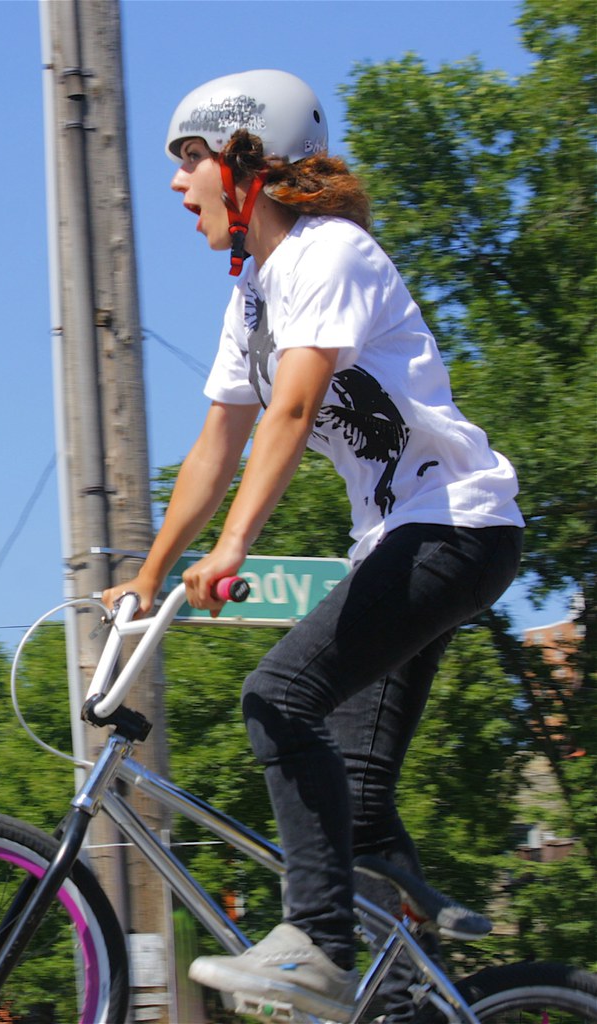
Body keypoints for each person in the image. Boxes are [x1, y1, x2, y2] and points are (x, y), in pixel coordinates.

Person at [103, 69, 524, 1022]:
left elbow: (290, 409)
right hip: (400, 542)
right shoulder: (250, 298)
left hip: (452, 527)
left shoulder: (328, 253)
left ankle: (320, 950)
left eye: (191, 158)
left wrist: (236, 546)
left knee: (277, 695)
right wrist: (152, 571)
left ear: (249, 158)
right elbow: (216, 445)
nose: (177, 183)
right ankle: (408, 974)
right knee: (354, 794)